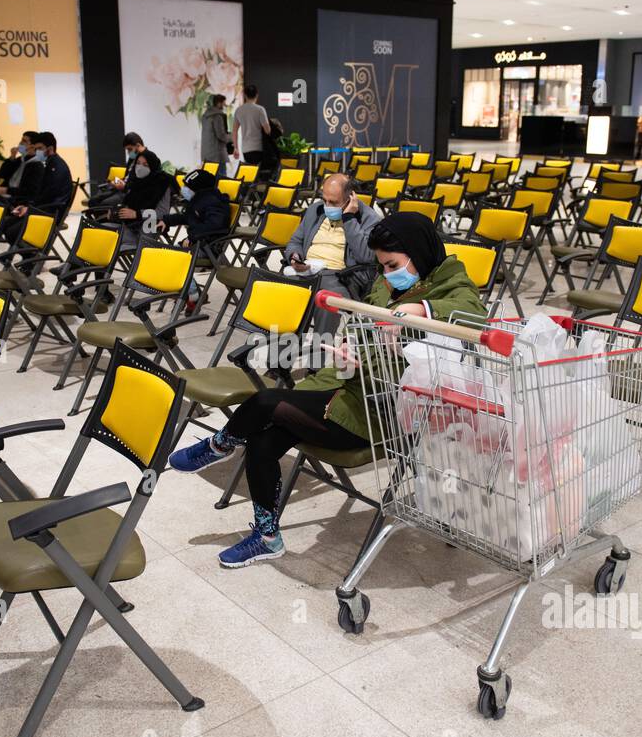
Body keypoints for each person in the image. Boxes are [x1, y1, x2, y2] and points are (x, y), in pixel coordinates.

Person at [167, 212, 484, 567]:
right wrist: (351, 347)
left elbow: (473, 315)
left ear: (419, 253)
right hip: (350, 385)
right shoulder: (385, 283)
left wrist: (421, 308)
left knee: (267, 402)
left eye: (393, 264)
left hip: (386, 411)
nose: (386, 274)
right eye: (381, 266)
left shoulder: (454, 286)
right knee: (263, 438)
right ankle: (266, 536)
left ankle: (221, 443)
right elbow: (361, 324)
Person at [282, 173, 381, 336]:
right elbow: (295, 241)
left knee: (327, 301)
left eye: (333, 202)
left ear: (350, 198)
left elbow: (367, 256)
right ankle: (279, 354)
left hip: (340, 276)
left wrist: (349, 218)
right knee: (278, 292)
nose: (327, 205)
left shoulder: (368, 218)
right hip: (306, 270)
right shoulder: (316, 209)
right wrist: (294, 256)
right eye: (324, 199)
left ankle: (318, 355)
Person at [114, 148, 172, 250]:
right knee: (98, 231)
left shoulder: (162, 183)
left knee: (111, 244)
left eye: (145, 165)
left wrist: (137, 214)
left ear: (153, 166)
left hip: (148, 227)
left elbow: (162, 212)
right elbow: (128, 203)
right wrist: (116, 211)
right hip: (130, 225)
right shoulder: (136, 181)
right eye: (138, 163)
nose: (140, 167)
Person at [158, 168, 229, 246]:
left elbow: (214, 225)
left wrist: (192, 237)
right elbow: (187, 217)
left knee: (164, 254)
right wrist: (166, 220)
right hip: (196, 242)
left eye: (186, 186)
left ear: (197, 188)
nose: (183, 188)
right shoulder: (198, 200)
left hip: (206, 246)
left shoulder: (213, 202)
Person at [12, 131, 72, 219]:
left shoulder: (55, 167)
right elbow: (42, 194)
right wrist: (28, 206)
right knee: (9, 223)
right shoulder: (51, 163)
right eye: (36, 149)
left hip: (50, 214)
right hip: (44, 209)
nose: (37, 152)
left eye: (40, 148)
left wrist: (29, 209)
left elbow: (48, 196)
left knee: (10, 227)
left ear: (50, 148)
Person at [0, 131, 44, 204]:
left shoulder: (37, 166)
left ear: (33, 146)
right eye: (21, 140)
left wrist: (6, 190)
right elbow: (2, 174)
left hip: (18, 200)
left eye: (24, 141)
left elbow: (30, 192)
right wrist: (12, 157)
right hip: (6, 195)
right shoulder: (19, 160)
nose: (20, 143)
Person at [233, 84, 271, 166]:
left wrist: (236, 148)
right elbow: (267, 130)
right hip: (258, 147)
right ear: (257, 95)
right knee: (258, 173)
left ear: (245, 95)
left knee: (250, 172)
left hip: (246, 149)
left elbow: (235, 131)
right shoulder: (260, 109)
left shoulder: (239, 110)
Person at [200, 95, 232, 167]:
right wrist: (231, 137)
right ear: (219, 103)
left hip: (206, 155)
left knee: (211, 177)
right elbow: (221, 135)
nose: (225, 106)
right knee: (221, 177)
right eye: (224, 104)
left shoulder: (205, 116)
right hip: (217, 156)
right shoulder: (217, 116)